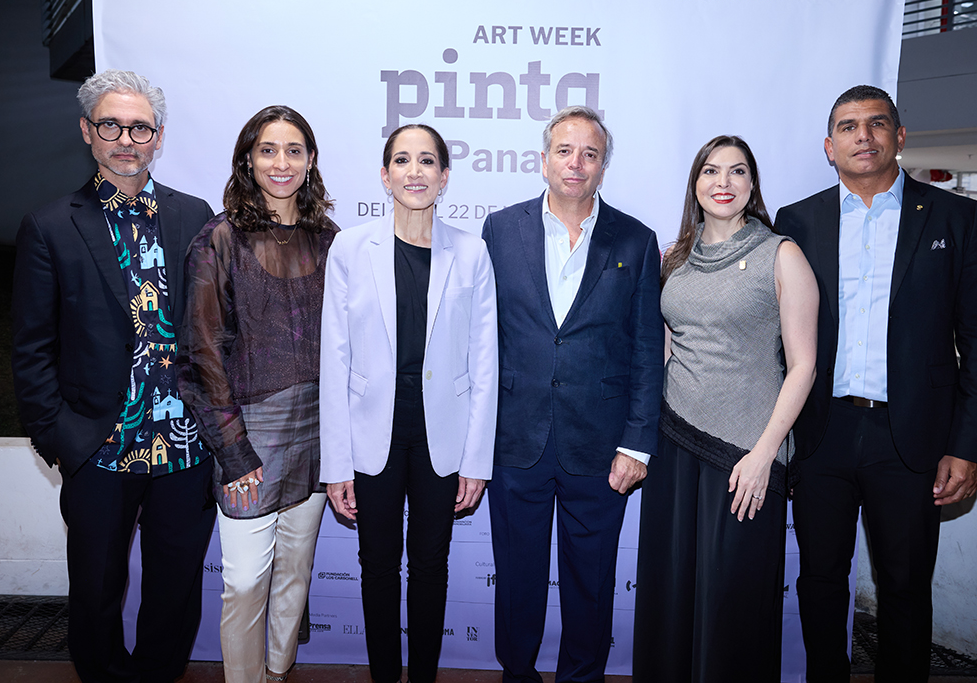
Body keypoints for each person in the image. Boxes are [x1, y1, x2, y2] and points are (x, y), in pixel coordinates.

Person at [773, 85, 977, 683]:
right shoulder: (798, 221)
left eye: (876, 124)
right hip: (821, 433)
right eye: (848, 127)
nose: (863, 136)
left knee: (904, 588)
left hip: (913, 438)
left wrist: (968, 446)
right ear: (830, 147)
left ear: (899, 137)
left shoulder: (955, 218)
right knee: (820, 580)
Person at [11, 69, 215, 683]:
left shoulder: (194, 215)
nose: (126, 139)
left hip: (185, 444)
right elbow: (32, 347)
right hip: (99, 444)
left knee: (175, 586)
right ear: (87, 131)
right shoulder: (50, 225)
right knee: (96, 587)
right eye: (111, 125)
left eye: (140, 128)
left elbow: (215, 327)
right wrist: (58, 435)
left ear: (159, 137)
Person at [480, 106, 665, 683]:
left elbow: (646, 349)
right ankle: (518, 674)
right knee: (517, 579)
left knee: (592, 581)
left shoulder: (636, 240)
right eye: (564, 151)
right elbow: (482, 339)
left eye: (590, 153)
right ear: (543, 160)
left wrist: (637, 443)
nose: (576, 163)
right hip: (515, 439)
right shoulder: (500, 230)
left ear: (603, 167)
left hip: (602, 446)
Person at [633, 135, 818, 682]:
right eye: (711, 171)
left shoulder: (781, 254)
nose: (723, 182)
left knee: (731, 599)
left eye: (737, 171)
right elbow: (668, 348)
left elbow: (803, 366)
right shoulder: (676, 257)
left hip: (744, 455)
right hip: (673, 443)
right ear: (696, 183)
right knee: (672, 589)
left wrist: (765, 454)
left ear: (752, 185)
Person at [320, 123, 498, 683]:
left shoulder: (472, 252)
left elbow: (484, 364)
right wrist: (335, 464)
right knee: (376, 567)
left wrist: (476, 461)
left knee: (429, 566)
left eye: (427, 161)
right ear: (384, 174)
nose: (414, 171)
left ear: (444, 177)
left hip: (442, 438)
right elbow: (335, 361)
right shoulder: (350, 248)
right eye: (402, 160)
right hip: (371, 433)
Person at [178, 105, 338, 683]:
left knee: (295, 572)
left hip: (318, 435)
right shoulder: (219, 240)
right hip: (247, 440)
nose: (281, 162)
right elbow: (201, 352)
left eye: (294, 150)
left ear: (310, 160)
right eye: (267, 150)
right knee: (245, 580)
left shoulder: (330, 241)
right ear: (248, 159)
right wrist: (234, 449)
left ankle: (278, 670)